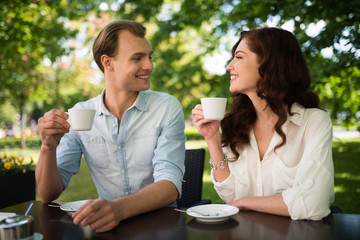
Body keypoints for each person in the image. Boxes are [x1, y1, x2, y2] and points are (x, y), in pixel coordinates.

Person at [36, 20, 186, 232]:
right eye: (137, 58)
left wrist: (118, 209)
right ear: (108, 63)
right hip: (107, 227)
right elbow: (47, 193)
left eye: (149, 56)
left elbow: (170, 185)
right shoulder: (80, 114)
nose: (149, 65)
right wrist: (48, 147)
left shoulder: (166, 107)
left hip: (161, 226)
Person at [192, 27, 334, 220]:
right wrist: (212, 138)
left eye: (239, 57)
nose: (229, 66)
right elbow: (230, 195)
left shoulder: (314, 122)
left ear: (269, 64)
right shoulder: (237, 125)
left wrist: (245, 202)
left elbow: (314, 202)